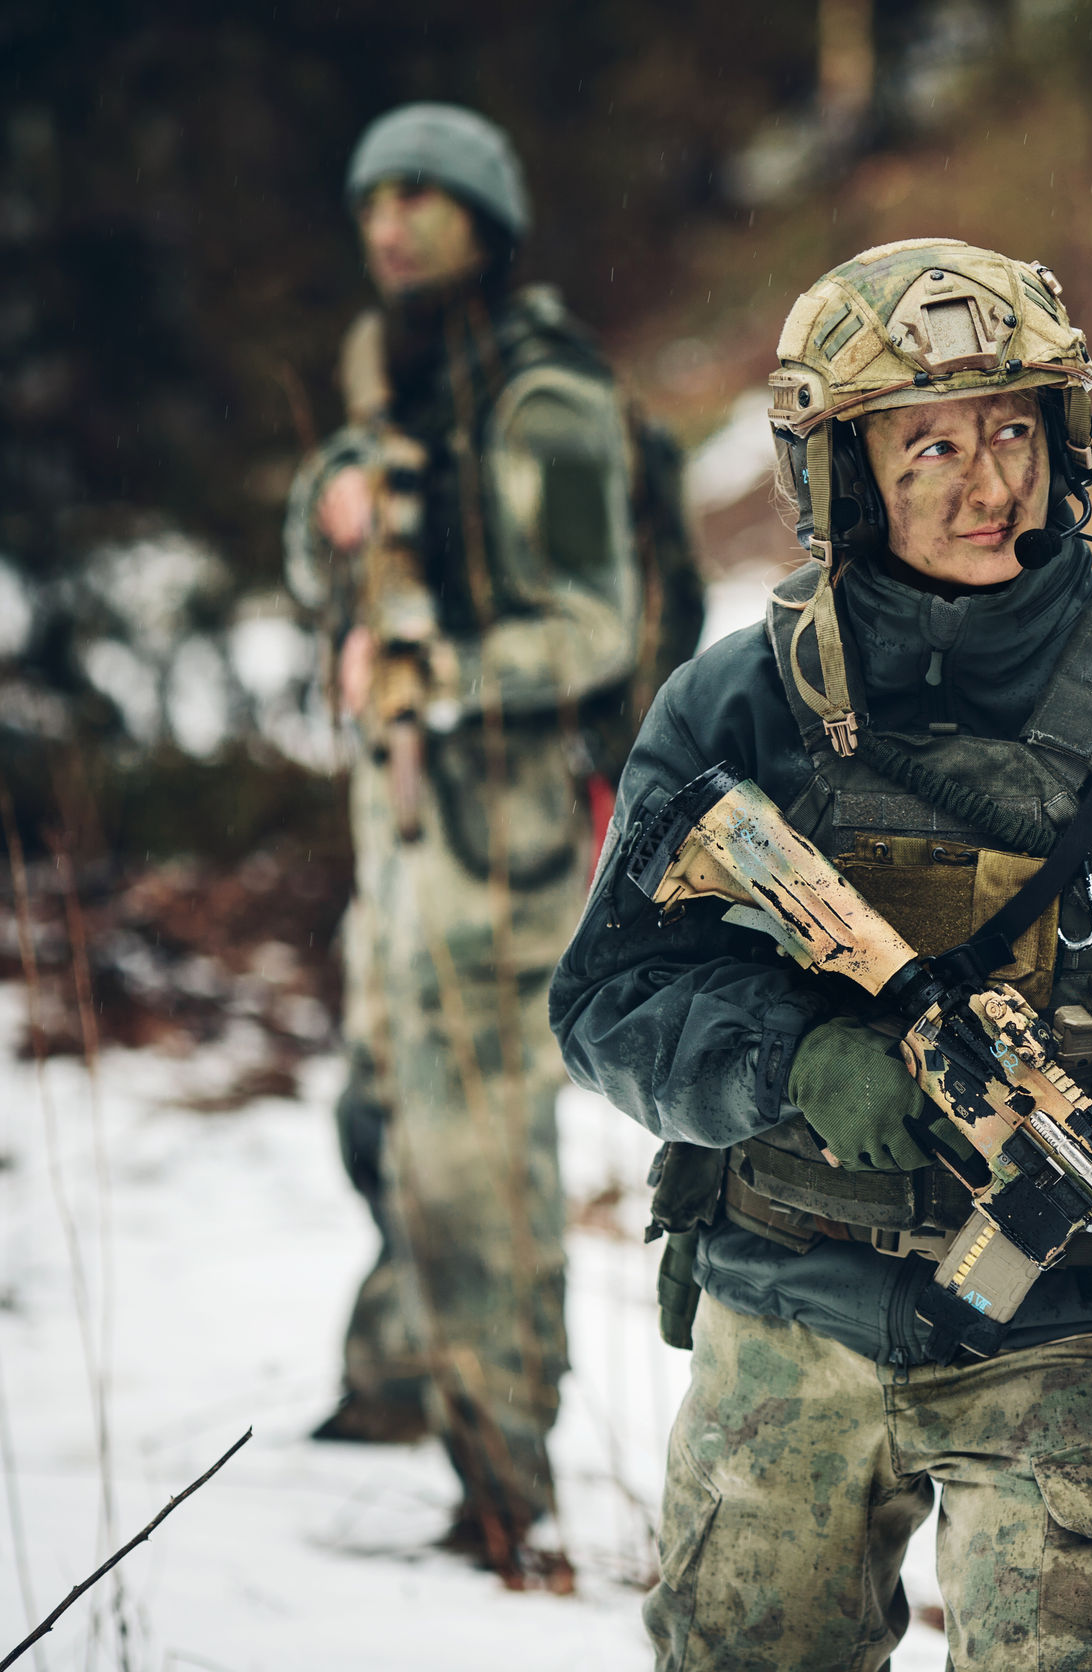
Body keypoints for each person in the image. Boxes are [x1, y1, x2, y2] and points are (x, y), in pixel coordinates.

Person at [550, 236, 1092, 1671]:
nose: (992, 487)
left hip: (1076, 1326)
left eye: (1016, 433)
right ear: (842, 472)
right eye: (930, 447)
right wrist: (799, 1064)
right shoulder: (738, 704)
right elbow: (608, 997)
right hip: (790, 1290)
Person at [282, 102, 654, 1584]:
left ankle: (502, 1476)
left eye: (427, 196)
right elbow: (325, 565)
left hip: (492, 829)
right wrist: (333, 513)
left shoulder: (545, 400)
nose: (391, 220)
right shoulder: (401, 378)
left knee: (474, 1152)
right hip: (396, 814)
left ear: (488, 220)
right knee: (378, 1111)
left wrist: (431, 673)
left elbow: (594, 625)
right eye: (376, 193)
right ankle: (398, 1369)